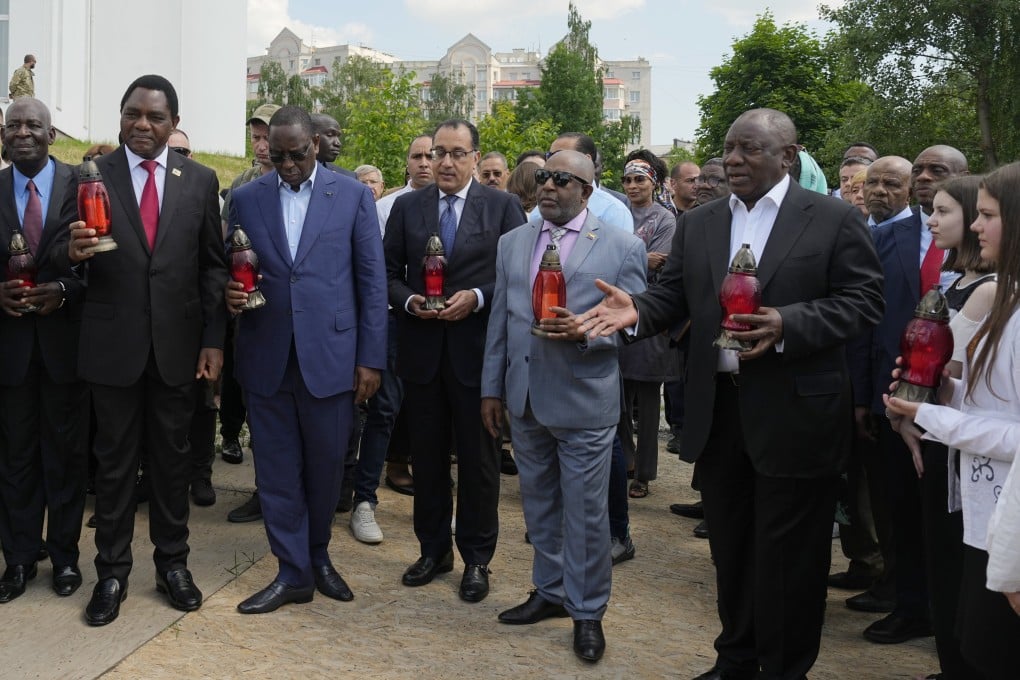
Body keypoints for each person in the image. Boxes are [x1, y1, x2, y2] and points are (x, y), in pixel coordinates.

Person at [579, 108, 884, 679]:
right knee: (733, 548)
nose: (734, 160)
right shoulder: (701, 221)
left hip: (797, 416)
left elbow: (865, 302)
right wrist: (636, 311)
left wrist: (788, 324)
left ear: (788, 156)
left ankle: (785, 667)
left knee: (792, 558)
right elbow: (673, 296)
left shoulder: (834, 219)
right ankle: (736, 660)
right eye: (728, 148)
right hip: (720, 413)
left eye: (750, 149)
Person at [65, 74, 229, 626]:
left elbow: (212, 267)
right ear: (120, 116)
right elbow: (68, 257)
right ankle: (111, 573)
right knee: (112, 467)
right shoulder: (91, 175)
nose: (142, 124)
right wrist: (72, 252)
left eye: (155, 117)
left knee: (171, 462)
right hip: (112, 348)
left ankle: (172, 565)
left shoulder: (200, 180)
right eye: (133, 113)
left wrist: (212, 340)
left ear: (173, 125)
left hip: (178, 350)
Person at [481, 150, 647, 663]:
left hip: (584, 399)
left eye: (561, 179)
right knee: (541, 506)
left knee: (587, 514)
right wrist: (492, 389)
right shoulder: (513, 242)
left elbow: (632, 325)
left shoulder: (622, 246)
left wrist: (586, 333)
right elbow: (501, 326)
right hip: (525, 398)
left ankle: (588, 611)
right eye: (542, 177)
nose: (547, 186)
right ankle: (549, 591)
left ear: (587, 190)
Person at [226, 105, 387, 614]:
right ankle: (292, 571)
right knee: (275, 470)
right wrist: (227, 292)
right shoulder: (246, 198)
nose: (288, 165)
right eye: (277, 156)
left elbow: (371, 280)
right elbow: (225, 264)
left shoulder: (354, 196)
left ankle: (317, 556)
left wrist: (371, 359)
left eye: (296, 154)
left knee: (324, 469)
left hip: (332, 357)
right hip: (265, 353)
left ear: (316, 144)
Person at [885, 161, 1020, 680]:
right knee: (973, 640)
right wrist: (943, 389)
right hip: (986, 510)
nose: (977, 226)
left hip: (1004, 516)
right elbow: (994, 400)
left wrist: (932, 415)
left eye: (986, 215)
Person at [383, 118, 526, 603]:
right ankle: (433, 549)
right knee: (426, 458)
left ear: (474, 157)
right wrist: (408, 302)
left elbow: (517, 277)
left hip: (478, 354)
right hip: (422, 352)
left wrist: (478, 297)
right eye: (437, 152)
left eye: (456, 153)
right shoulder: (407, 207)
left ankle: (477, 559)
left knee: (479, 461)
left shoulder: (504, 207)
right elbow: (387, 272)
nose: (443, 162)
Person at [848, 146, 969, 644]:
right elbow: (864, 318)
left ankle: (957, 618)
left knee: (952, 513)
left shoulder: (984, 241)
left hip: (962, 402)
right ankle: (909, 603)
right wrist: (862, 395)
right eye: (917, 170)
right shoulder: (884, 237)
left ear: (963, 179)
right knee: (898, 503)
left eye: (935, 171)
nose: (922, 177)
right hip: (893, 394)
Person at [0, 97, 87, 603]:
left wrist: (66, 291)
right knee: (15, 458)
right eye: (14, 126)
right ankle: (18, 558)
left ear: (53, 135)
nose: (24, 132)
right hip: (11, 350)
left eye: (35, 125)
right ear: (4, 136)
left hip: (66, 348)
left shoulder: (84, 184)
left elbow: (102, 262)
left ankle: (65, 558)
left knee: (66, 458)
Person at [222, 102, 280, 524]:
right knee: (257, 410)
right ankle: (264, 490)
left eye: (267, 137)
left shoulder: (314, 181)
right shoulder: (241, 186)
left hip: (298, 316)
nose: (260, 146)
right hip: (252, 315)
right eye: (255, 137)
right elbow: (225, 246)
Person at [370, 134, 434, 499]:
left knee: (424, 403)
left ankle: (422, 467)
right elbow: (381, 267)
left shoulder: (450, 204)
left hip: (444, 316)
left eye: (430, 155)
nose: (424, 162)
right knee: (389, 403)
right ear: (407, 163)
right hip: (397, 314)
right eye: (417, 156)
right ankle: (388, 469)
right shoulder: (387, 206)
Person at [617, 151, 677, 501]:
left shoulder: (665, 219)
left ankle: (644, 473)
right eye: (627, 180)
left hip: (650, 314)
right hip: (617, 309)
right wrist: (642, 255)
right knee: (618, 397)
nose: (633, 185)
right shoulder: (617, 214)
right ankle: (625, 459)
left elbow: (661, 264)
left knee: (649, 398)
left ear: (653, 182)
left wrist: (632, 256)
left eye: (640, 179)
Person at [167, 129, 218, 509]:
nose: (177, 157)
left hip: (194, 321)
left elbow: (212, 263)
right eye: (172, 151)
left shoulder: (204, 187)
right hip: (149, 326)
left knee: (201, 406)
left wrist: (212, 335)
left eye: (182, 150)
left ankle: (200, 474)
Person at [310, 112, 356, 178]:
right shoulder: (291, 175)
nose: (338, 143)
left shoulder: (347, 177)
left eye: (338, 136)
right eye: (330, 135)